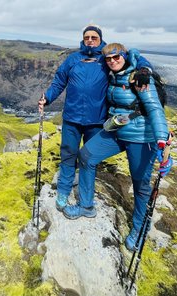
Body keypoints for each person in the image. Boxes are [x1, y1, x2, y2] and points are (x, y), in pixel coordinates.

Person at [62, 42, 173, 251]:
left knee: (140, 186)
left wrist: (162, 142)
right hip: (116, 131)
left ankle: (140, 229)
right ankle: (86, 206)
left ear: (124, 56)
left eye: (116, 57)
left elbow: (155, 109)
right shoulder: (112, 74)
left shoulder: (139, 77)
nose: (112, 61)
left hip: (141, 137)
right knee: (86, 155)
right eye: (108, 59)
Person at [38, 25, 153, 216]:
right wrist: (47, 97)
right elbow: (59, 81)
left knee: (88, 158)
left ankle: (86, 200)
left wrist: (144, 69)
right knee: (68, 154)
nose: (90, 40)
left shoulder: (106, 58)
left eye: (94, 37)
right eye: (86, 37)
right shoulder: (73, 59)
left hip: (97, 119)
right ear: (82, 40)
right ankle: (64, 191)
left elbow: (134, 55)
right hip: (72, 118)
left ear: (100, 39)